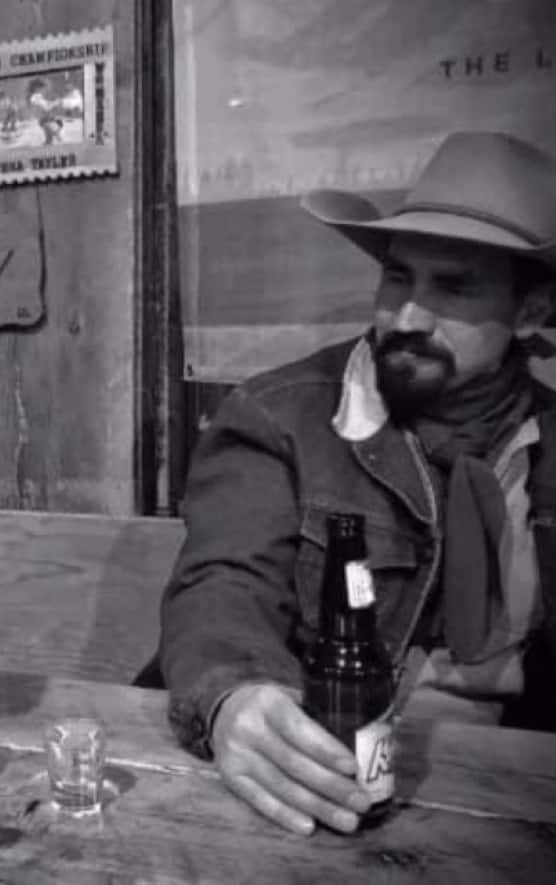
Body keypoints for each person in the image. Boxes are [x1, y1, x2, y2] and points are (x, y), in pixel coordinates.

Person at [150, 131, 556, 836]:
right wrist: (235, 698)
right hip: (308, 777)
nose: (407, 318)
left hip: (502, 799)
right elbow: (223, 582)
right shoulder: (283, 415)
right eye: (398, 278)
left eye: (454, 287)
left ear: (530, 312)